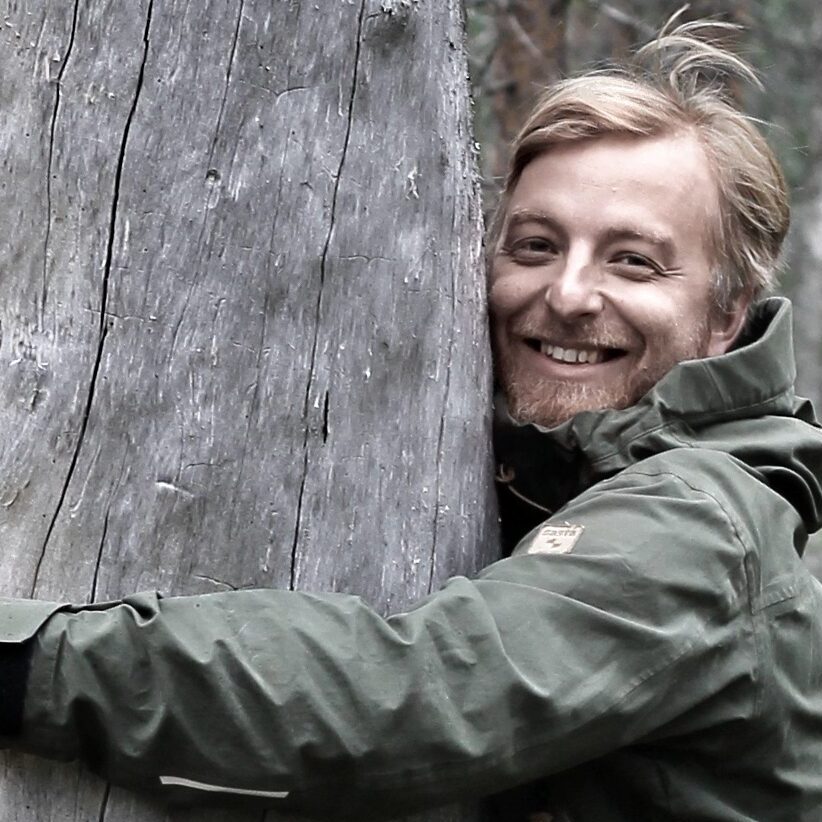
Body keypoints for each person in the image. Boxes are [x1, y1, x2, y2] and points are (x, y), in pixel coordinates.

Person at [2, 17, 822, 822]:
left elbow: (404, 698)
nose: (569, 295)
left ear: (727, 314)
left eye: (632, 262)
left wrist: (32, 662)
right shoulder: (544, 477)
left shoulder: (701, 522)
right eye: (536, 246)